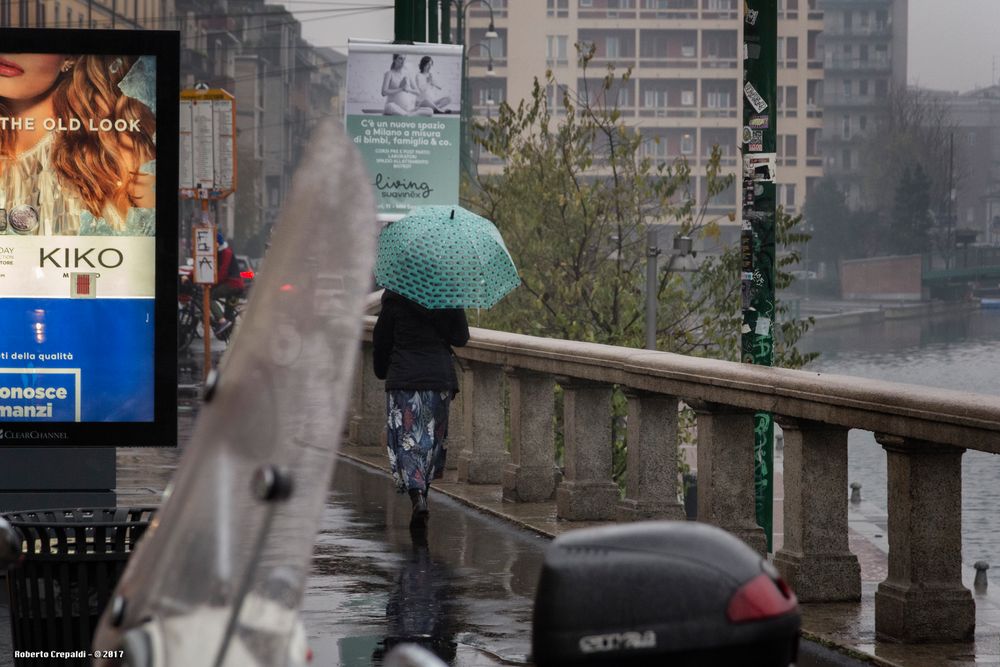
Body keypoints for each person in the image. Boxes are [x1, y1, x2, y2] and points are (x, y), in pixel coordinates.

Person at [0, 52, 156, 235]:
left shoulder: (113, 141)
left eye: (32, 43)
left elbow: (150, 246)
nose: (11, 52)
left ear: (69, 57)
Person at [372, 289, 469, 529]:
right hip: (438, 380)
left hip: (405, 381)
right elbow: (461, 337)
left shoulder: (394, 298)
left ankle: (418, 496)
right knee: (431, 441)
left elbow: (381, 341)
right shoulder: (447, 293)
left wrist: (382, 370)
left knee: (407, 441)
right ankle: (422, 492)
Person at [211, 232, 245, 339]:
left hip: (232, 285)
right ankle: (227, 334)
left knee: (208, 297)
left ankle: (222, 321)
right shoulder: (220, 253)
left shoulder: (226, 253)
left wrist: (211, 284)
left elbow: (222, 273)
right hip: (235, 286)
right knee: (229, 313)